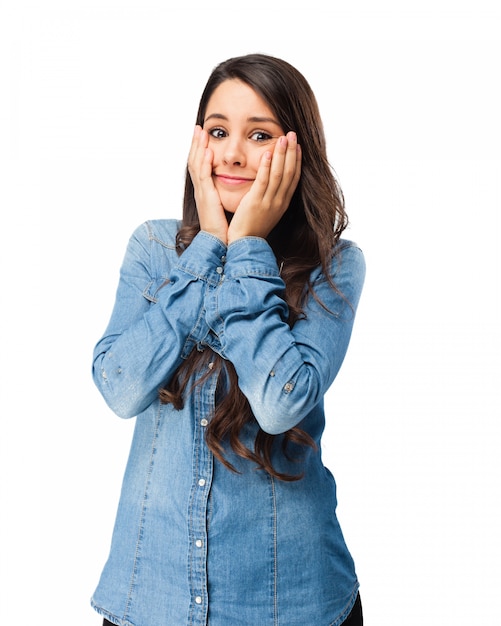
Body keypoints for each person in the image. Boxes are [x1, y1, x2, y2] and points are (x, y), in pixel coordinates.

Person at [91, 53, 365, 626]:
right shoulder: (154, 249)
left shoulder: (333, 266)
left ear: (296, 151)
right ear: (198, 145)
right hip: (151, 598)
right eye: (218, 131)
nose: (234, 152)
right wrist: (208, 246)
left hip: (288, 603)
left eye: (259, 134)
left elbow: (279, 403)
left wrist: (246, 252)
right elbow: (120, 388)